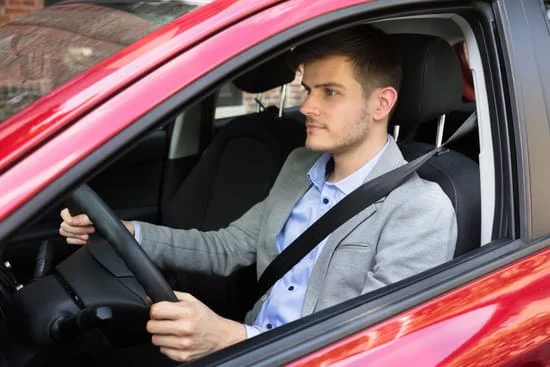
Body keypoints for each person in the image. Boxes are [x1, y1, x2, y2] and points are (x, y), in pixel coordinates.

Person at [59, 25, 457, 362]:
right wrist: (129, 233)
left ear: (381, 103)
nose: (307, 107)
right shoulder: (299, 166)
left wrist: (228, 338)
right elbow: (227, 246)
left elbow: (375, 351)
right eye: (308, 90)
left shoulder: (421, 209)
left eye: (330, 92)